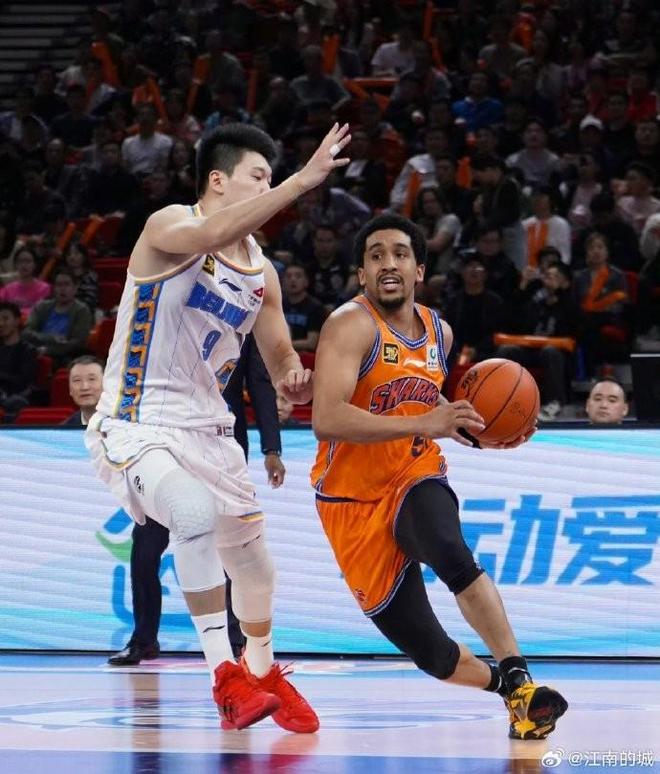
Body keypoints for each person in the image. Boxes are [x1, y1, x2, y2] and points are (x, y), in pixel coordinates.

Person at [85, 120, 352, 733]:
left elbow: (278, 352)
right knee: (192, 514)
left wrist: (293, 379)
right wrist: (300, 182)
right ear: (217, 180)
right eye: (257, 176)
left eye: (271, 177)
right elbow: (211, 233)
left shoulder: (263, 272)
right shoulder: (169, 226)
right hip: (139, 418)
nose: (266, 186)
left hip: (210, 428)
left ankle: (262, 673)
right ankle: (224, 677)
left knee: (257, 569)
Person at [310, 213, 568, 741]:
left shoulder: (440, 332)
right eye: (376, 255)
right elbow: (327, 418)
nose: (388, 263)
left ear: (419, 270)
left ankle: (521, 675)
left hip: (413, 471)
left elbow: (429, 405)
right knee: (431, 653)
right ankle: (509, 691)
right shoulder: (349, 325)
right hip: (349, 501)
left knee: (452, 552)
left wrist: (487, 422)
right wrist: (424, 422)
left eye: (400, 254)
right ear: (361, 274)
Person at [108, 335, 284, 666]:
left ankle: (235, 640)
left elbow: (260, 385)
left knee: (233, 548)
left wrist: (272, 448)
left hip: (221, 448)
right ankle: (143, 638)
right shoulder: (167, 314)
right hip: (163, 441)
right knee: (146, 542)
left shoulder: (241, 316)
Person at [62, 355, 104, 427]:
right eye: (77, 380)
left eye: (91, 379)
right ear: (70, 389)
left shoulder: (123, 425)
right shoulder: (65, 429)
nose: (84, 387)